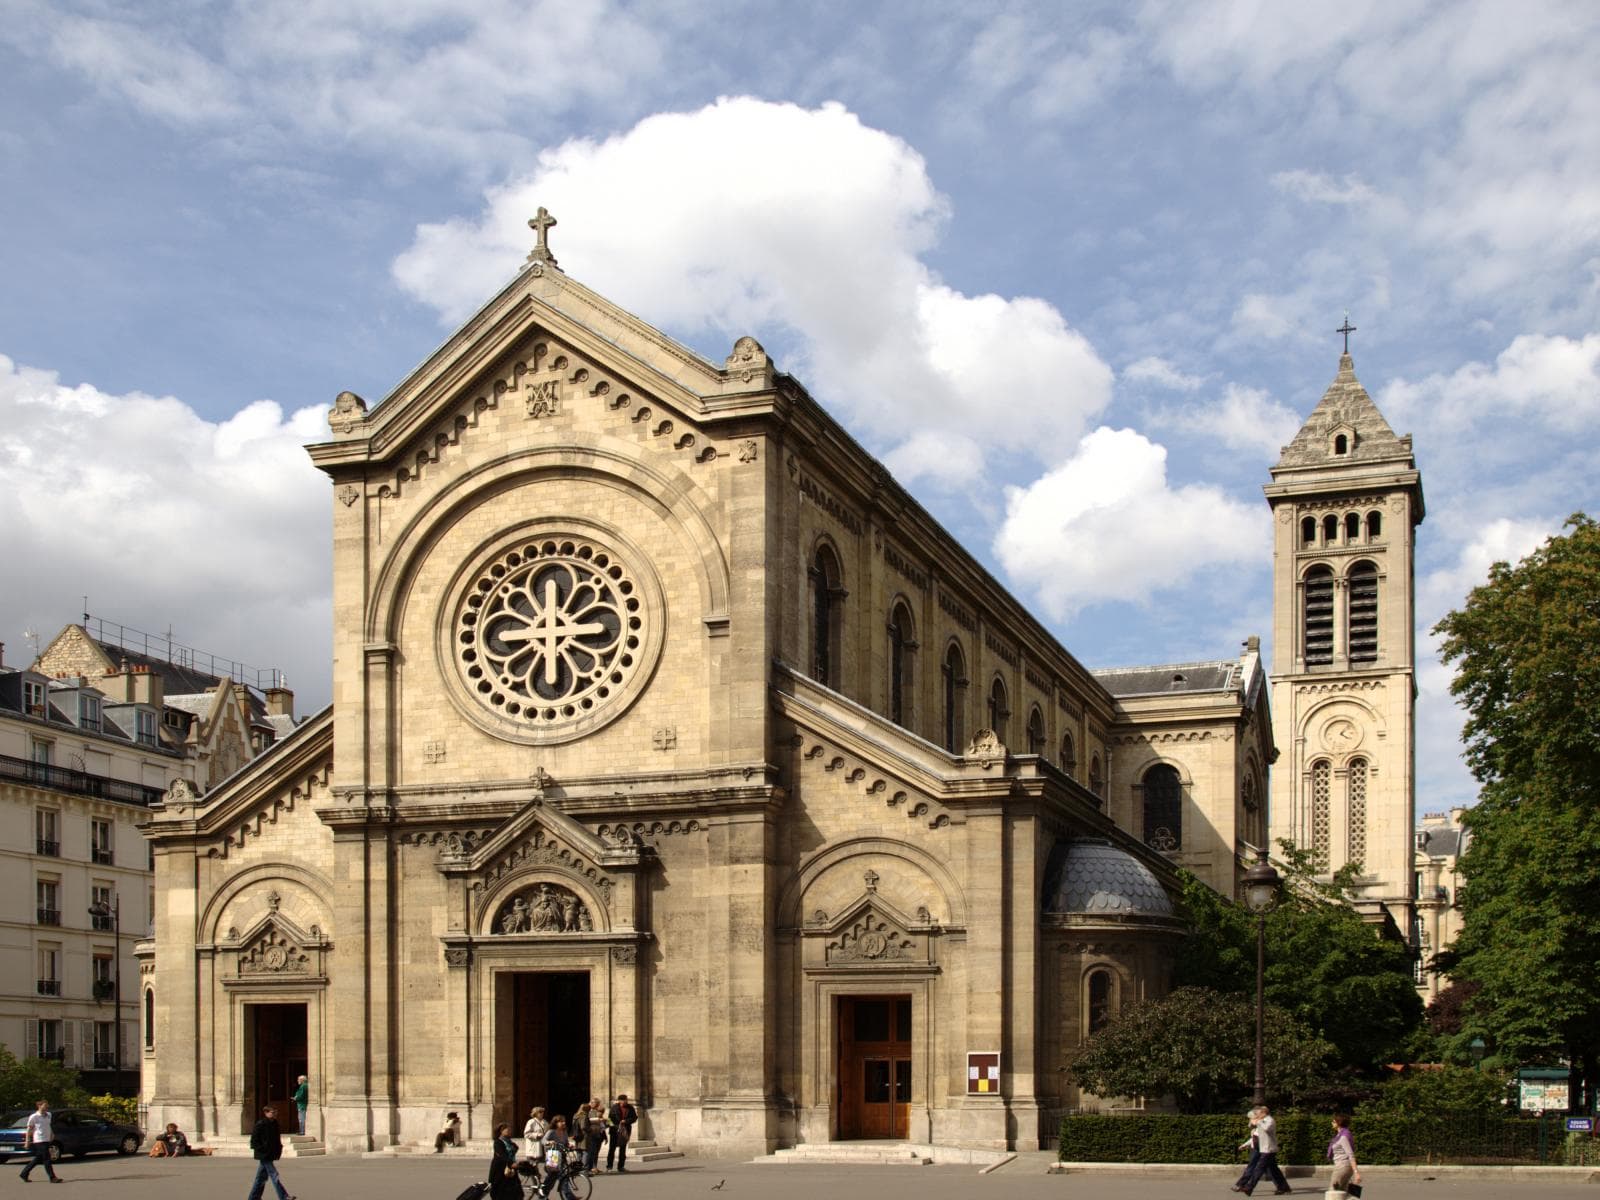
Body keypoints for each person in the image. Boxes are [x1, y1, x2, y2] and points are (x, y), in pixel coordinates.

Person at [1235, 1105, 1291, 1196]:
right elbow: (1255, 1131)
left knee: (1259, 1168)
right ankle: (1284, 1187)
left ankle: (1249, 1187)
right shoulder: (1262, 1121)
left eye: (1259, 1113)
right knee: (1274, 1170)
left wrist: (1259, 1121)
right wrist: (1252, 1121)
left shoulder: (1270, 1120)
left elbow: (1266, 1128)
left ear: (1264, 1113)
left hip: (1268, 1149)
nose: (1257, 1115)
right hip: (1264, 1149)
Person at [246, 1104, 294, 1200]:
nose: (275, 1114)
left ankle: (253, 1197)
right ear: (266, 1113)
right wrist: (263, 1150)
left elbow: (276, 1139)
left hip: (271, 1154)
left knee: (261, 1178)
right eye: (272, 1112)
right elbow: (254, 1141)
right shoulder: (260, 1124)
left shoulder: (275, 1123)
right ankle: (284, 1196)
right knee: (274, 1175)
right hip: (264, 1155)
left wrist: (279, 1149)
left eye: (276, 1112)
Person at [19, 1099, 60, 1183]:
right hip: (39, 1139)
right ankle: (52, 1177)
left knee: (39, 1158)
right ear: (39, 1106)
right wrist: (27, 1141)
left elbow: (48, 1125)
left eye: (47, 1105)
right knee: (47, 1158)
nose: (46, 1107)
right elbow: (29, 1129)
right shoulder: (34, 1116)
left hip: (47, 1139)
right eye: (45, 1105)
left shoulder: (49, 1115)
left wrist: (52, 1134)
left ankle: (24, 1173)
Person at [540, 1114, 577, 1200]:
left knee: (563, 1176)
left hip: (562, 1156)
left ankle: (569, 1196)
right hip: (553, 1156)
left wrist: (569, 1146)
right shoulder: (551, 1132)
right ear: (556, 1123)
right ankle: (543, 1193)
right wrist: (549, 1142)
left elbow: (566, 1142)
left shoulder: (564, 1131)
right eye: (561, 1121)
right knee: (552, 1178)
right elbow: (543, 1140)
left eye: (564, 1121)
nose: (563, 1123)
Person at [1327, 1115, 1362, 1195]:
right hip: (1344, 1167)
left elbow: (1351, 1155)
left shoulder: (1343, 1137)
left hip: (1341, 1167)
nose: (1331, 1123)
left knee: (1333, 1193)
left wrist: (1356, 1173)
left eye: (1333, 1122)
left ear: (1339, 1123)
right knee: (1343, 1193)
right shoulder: (1340, 1136)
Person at [1231, 1105, 1262, 1192]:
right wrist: (1245, 1145)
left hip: (1260, 1149)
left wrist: (1245, 1145)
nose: (1250, 1121)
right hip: (1258, 1148)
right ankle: (1282, 1186)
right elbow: (1254, 1138)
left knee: (1251, 1167)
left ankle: (1241, 1185)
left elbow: (1257, 1138)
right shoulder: (1256, 1127)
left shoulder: (1261, 1125)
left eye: (1251, 1118)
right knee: (1272, 1169)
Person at [605, 1093, 637, 1174]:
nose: (624, 1102)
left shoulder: (630, 1108)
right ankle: (609, 1167)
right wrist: (613, 1126)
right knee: (612, 1149)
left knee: (623, 1149)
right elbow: (609, 1119)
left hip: (625, 1130)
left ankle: (621, 1166)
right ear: (619, 1101)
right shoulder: (614, 1108)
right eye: (623, 1101)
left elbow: (634, 1118)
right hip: (614, 1131)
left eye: (625, 1101)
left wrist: (626, 1121)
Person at [489, 1123, 521, 1200]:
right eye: (506, 1129)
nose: (509, 1130)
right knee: (500, 1194)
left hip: (511, 1170)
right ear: (501, 1131)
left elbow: (515, 1148)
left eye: (509, 1129)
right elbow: (501, 1155)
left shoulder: (509, 1142)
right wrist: (511, 1163)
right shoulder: (498, 1142)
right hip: (500, 1170)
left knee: (516, 1193)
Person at [581, 1097, 607, 1172]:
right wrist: (597, 1119)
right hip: (591, 1135)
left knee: (596, 1152)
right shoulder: (588, 1112)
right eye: (592, 1102)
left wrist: (605, 1136)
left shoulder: (599, 1112)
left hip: (599, 1135)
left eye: (595, 1103)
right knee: (591, 1151)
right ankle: (589, 1167)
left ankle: (594, 1166)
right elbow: (586, 1122)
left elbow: (604, 1126)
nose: (593, 1104)